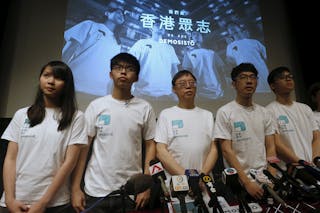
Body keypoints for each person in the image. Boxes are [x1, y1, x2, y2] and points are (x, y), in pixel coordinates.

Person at [71, 53, 157, 213]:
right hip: (95, 190)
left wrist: (146, 186)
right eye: (118, 68)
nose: (123, 72)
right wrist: (76, 187)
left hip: (131, 192)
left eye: (129, 69)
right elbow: (83, 149)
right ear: (111, 74)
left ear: (136, 78)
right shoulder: (96, 106)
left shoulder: (145, 108)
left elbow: (151, 146)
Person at [0, 61, 87, 213]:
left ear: (66, 84)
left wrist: (42, 203)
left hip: (54, 204)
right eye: (46, 75)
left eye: (58, 78)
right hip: (14, 201)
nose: (51, 81)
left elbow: (69, 162)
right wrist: (9, 199)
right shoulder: (22, 114)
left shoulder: (76, 117)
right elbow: (10, 159)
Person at [155, 70, 218, 212]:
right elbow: (160, 150)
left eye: (191, 83)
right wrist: (187, 178)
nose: (188, 86)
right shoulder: (166, 114)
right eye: (183, 84)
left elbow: (214, 149)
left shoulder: (207, 115)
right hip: (177, 186)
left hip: (205, 185)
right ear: (174, 89)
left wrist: (202, 177)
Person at [213, 63, 277, 200]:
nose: (249, 81)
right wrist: (247, 182)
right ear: (233, 84)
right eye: (243, 77)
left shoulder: (265, 112)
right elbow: (226, 151)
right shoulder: (225, 112)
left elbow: (271, 147)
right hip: (239, 181)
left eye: (252, 77)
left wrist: (271, 174)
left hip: (264, 179)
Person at [62, 2, 125, 96]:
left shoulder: (117, 42)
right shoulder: (90, 25)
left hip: (99, 93)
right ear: (107, 13)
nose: (121, 14)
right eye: (118, 11)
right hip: (75, 87)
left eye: (123, 13)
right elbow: (69, 50)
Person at [266, 67, 320, 164]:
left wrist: (315, 159)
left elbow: (316, 137)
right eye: (283, 77)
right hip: (292, 170)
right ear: (272, 86)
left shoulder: (305, 108)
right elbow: (277, 144)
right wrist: (301, 162)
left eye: (290, 76)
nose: (288, 79)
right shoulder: (269, 111)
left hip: (313, 166)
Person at [129, 21, 180, 99]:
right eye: (157, 25)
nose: (160, 26)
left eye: (163, 26)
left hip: (166, 94)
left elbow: (174, 70)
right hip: (142, 92)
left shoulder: (169, 48)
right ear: (151, 28)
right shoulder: (141, 43)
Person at [226, 22, 270, 93]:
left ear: (240, 29)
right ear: (230, 33)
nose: (232, 29)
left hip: (262, 73)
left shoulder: (254, 42)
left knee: (266, 93)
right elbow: (230, 62)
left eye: (233, 27)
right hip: (245, 77)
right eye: (230, 29)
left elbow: (267, 56)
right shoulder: (230, 46)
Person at [182, 31, 225, 99]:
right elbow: (186, 74)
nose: (196, 36)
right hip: (199, 93)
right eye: (194, 35)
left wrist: (225, 87)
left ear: (202, 37)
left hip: (217, 92)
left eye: (198, 34)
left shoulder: (212, 53)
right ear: (191, 39)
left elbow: (221, 71)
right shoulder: (188, 54)